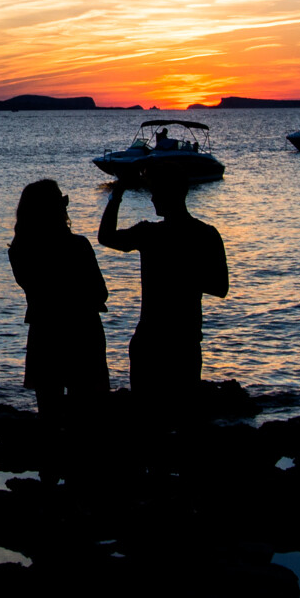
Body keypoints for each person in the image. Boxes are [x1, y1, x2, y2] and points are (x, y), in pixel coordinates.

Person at [98, 165, 228, 416]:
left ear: (170, 194)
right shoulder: (206, 234)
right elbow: (220, 287)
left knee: (149, 420)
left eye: (156, 191)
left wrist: (118, 193)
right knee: (184, 417)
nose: (152, 197)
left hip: (158, 341)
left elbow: (105, 236)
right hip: (181, 340)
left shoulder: (151, 234)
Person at [8, 179, 108, 484]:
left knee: (48, 415)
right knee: (86, 416)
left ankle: (49, 483)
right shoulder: (77, 245)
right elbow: (100, 293)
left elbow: (34, 288)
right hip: (82, 332)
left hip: (44, 331)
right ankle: (83, 484)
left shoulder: (20, 251)